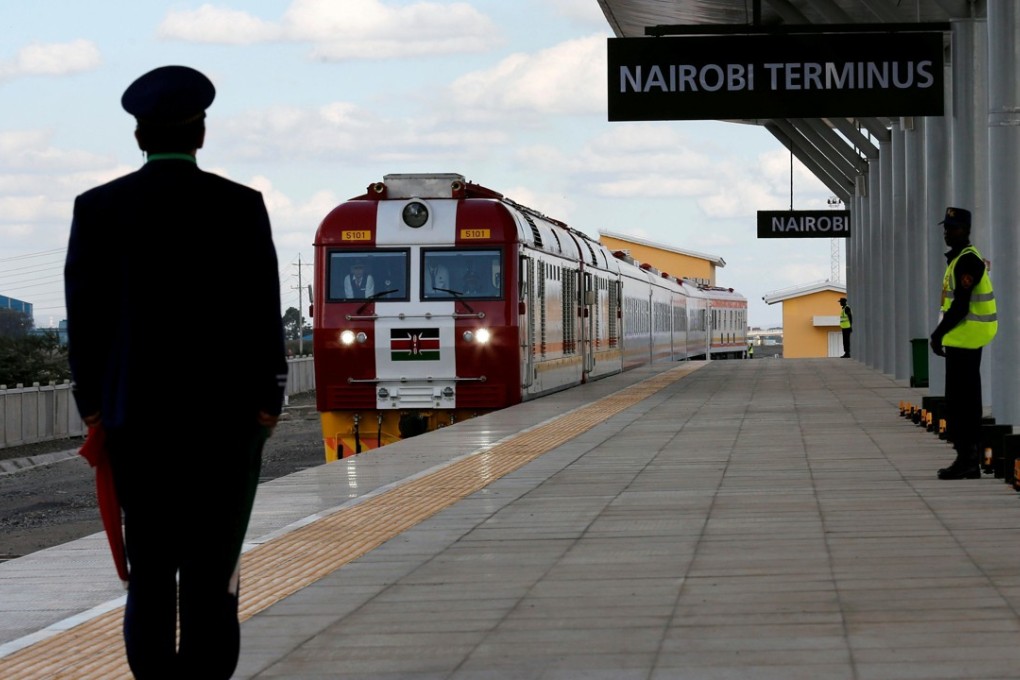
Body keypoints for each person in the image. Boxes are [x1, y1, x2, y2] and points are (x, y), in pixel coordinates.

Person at [64, 65, 288, 678]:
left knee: (152, 575)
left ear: (139, 136)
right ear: (202, 133)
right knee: (213, 576)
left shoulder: (98, 209)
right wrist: (269, 398)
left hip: (135, 423)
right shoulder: (241, 207)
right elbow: (262, 312)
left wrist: (93, 405)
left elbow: (83, 321)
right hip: (224, 425)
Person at [929, 206, 997, 480]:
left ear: (965, 230)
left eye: (952, 228)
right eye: (945, 227)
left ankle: (968, 459)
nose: (947, 232)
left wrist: (937, 334)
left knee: (964, 402)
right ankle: (967, 458)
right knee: (961, 400)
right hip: (961, 337)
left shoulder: (968, 261)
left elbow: (960, 306)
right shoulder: (958, 260)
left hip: (967, 337)